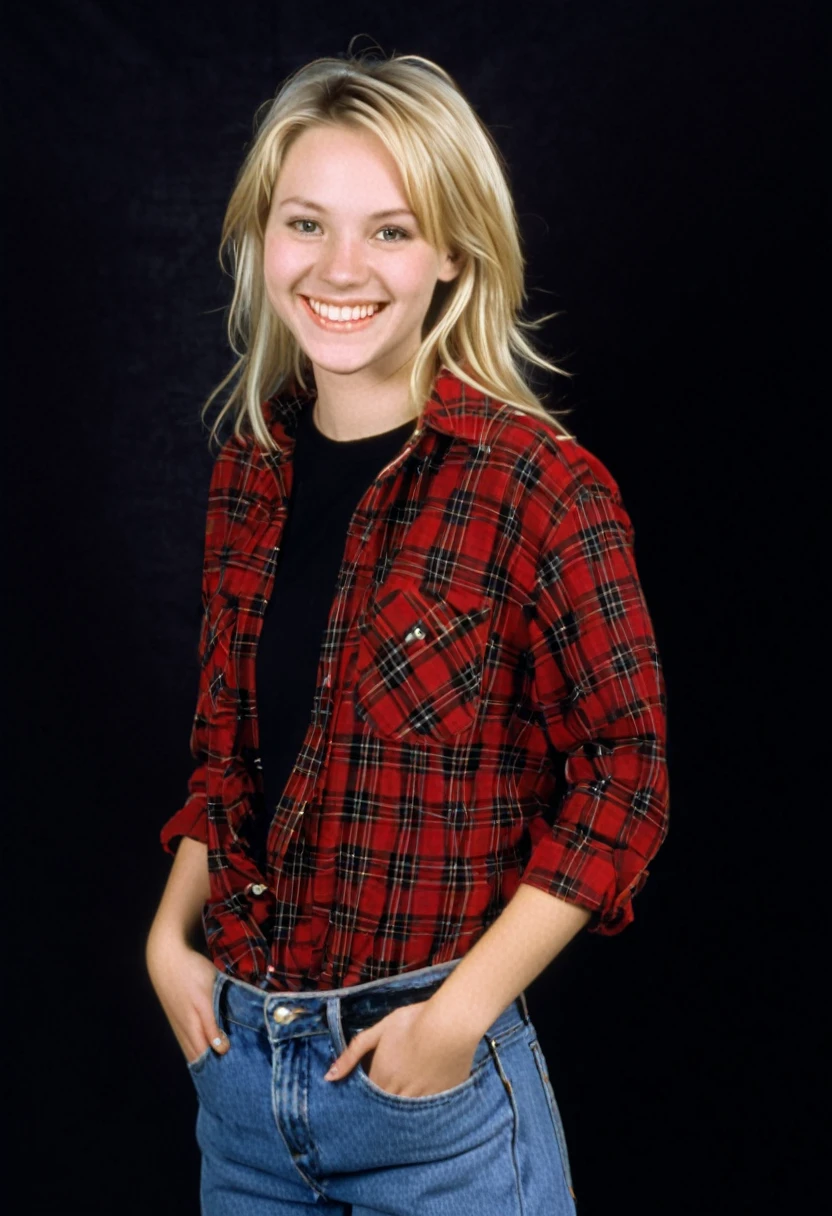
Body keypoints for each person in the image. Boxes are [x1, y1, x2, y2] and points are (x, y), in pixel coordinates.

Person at [145, 47, 669, 1216]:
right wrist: (167, 934)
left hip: (432, 1106)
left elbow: (624, 781)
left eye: (389, 230)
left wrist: (458, 1018)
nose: (340, 268)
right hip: (238, 1095)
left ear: (452, 255)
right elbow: (232, 751)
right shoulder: (249, 475)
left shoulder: (540, 487)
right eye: (304, 224)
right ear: (258, 241)